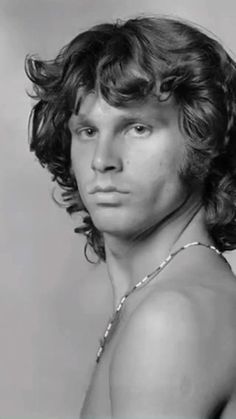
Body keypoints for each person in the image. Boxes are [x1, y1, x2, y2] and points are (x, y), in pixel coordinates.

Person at [25, 15, 236, 419]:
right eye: (87, 131)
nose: (103, 160)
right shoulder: (165, 293)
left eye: (138, 128)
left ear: (202, 138)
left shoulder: (171, 319)